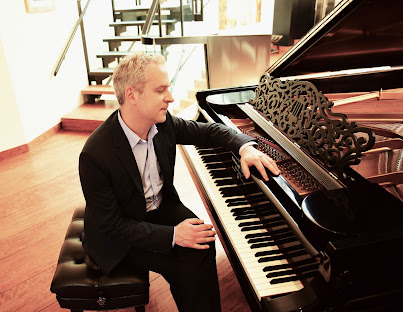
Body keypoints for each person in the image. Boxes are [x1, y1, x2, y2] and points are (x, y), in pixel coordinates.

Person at [79, 51, 280, 312]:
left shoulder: (163, 125)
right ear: (132, 95)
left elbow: (209, 132)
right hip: (120, 234)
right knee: (186, 264)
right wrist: (174, 235)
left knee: (203, 243)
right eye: (161, 89)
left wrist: (245, 147)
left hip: (159, 208)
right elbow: (112, 226)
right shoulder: (95, 154)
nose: (170, 97)